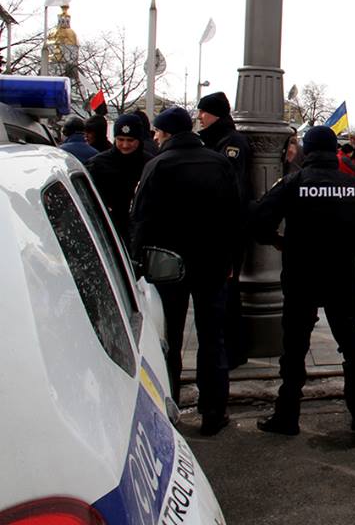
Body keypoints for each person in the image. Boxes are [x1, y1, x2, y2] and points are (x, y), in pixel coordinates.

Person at [251, 126, 355, 435]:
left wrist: (278, 241)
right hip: (341, 276)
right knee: (352, 345)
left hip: (302, 275)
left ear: (309, 151)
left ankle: (287, 416)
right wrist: (354, 241)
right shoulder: (352, 185)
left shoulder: (293, 182)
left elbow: (259, 218)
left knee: (295, 347)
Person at [130, 107, 241, 436]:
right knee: (211, 338)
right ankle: (213, 411)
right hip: (212, 263)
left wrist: (139, 260)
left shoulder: (158, 165)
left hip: (169, 264)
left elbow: (142, 218)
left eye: (158, 132)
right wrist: (231, 259)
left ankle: (169, 404)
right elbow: (234, 213)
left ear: (166, 133)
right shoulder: (219, 162)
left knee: (170, 339)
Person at [197, 91, 252, 370]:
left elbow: (232, 188)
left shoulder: (232, 143)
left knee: (228, 291)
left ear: (215, 113)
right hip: (222, 228)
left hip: (228, 229)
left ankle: (234, 350)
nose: (199, 117)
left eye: (203, 112)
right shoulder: (214, 140)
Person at [85, 114, 154, 246]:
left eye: (130, 140)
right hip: (107, 231)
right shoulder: (97, 164)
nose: (125, 145)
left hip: (140, 234)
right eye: (120, 139)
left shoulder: (150, 165)